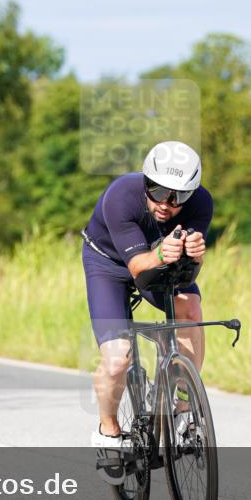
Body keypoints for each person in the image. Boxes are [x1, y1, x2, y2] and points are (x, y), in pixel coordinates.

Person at [81, 140, 213, 477]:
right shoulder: (121, 196)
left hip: (159, 261)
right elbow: (139, 266)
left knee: (191, 311)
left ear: (192, 193)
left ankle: (183, 410)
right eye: (157, 191)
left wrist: (196, 253)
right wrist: (161, 254)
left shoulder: (201, 203)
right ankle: (108, 431)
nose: (166, 205)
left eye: (178, 197)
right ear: (145, 182)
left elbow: (186, 269)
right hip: (109, 265)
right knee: (117, 361)